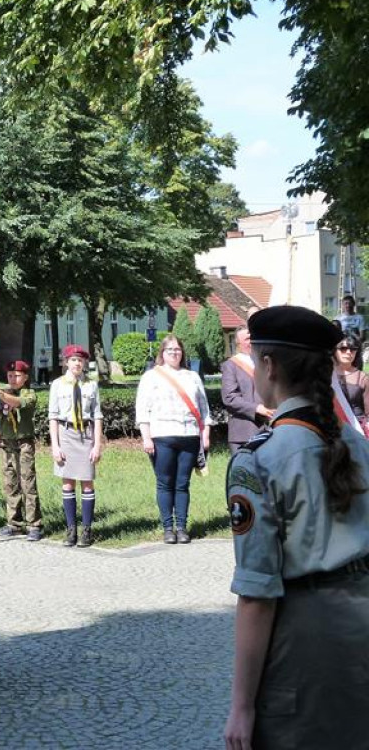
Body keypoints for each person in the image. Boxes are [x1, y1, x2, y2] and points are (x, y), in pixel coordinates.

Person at [223, 305, 369, 749]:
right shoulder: (355, 444)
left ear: (267, 365)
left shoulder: (258, 459)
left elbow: (257, 594)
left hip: (305, 636)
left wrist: (241, 706)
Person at [135, 335, 211, 544]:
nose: (174, 353)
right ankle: (168, 528)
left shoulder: (192, 376)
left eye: (177, 349)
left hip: (189, 436)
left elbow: (204, 408)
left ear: (182, 352)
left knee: (182, 483)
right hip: (162, 435)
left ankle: (182, 527)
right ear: (162, 353)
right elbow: (142, 409)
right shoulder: (151, 377)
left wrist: (205, 434)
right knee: (165, 483)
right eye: (169, 350)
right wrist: (146, 437)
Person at [48, 344, 103, 547]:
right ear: (66, 362)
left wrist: (97, 445)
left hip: (86, 434)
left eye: (80, 360)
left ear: (84, 363)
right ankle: (71, 529)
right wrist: (55, 446)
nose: (77, 363)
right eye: (73, 360)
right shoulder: (57, 385)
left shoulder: (92, 385)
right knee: (68, 482)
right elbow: (53, 417)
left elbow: (97, 416)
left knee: (87, 481)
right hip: (66, 433)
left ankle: (87, 529)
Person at [0, 360, 42, 540]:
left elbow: (18, 403)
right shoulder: (3, 393)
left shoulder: (29, 393)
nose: (13, 378)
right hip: (6, 442)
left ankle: (34, 523)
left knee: (27, 481)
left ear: (25, 377)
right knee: (10, 482)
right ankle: (14, 522)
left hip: (23, 443)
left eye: (17, 375)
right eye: (10, 375)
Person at [221, 326, 273, 454]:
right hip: (244, 432)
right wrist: (256, 408)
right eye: (246, 339)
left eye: (252, 338)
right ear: (238, 344)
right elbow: (230, 398)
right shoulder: (231, 365)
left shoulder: (267, 363)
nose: (251, 342)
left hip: (271, 430)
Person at [333, 333, 369, 427]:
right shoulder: (327, 375)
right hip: (331, 425)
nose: (348, 352)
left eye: (352, 349)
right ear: (335, 351)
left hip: (357, 427)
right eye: (343, 349)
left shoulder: (363, 378)